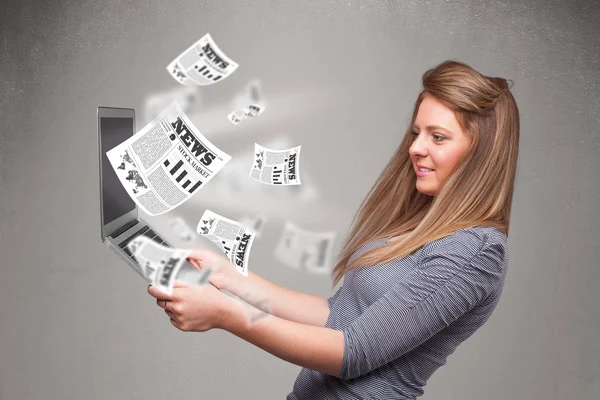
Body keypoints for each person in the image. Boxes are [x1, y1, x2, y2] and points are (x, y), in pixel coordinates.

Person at [148, 59, 520, 400]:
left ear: (480, 154)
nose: (416, 149)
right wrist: (232, 278)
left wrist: (228, 314)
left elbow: (353, 352)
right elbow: (338, 315)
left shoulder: (476, 252)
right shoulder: (421, 223)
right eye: (416, 133)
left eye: (437, 137)